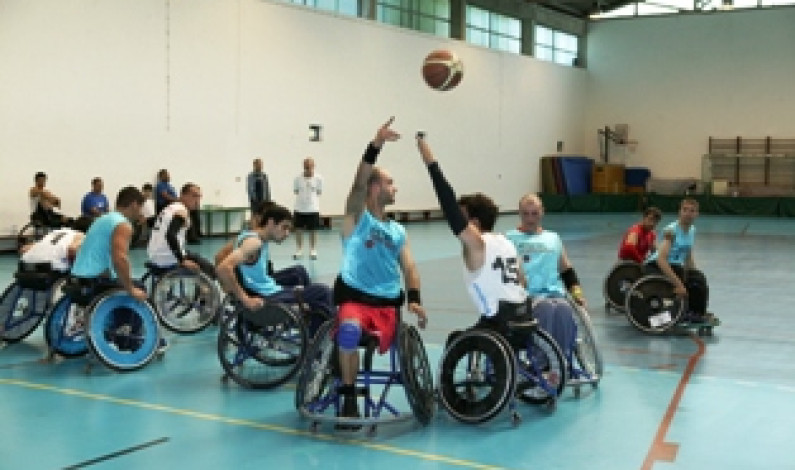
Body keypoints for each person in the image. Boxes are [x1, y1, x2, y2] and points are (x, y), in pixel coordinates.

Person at [333, 118, 426, 427]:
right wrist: (377, 143)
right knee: (347, 332)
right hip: (356, 300)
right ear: (375, 188)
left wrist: (414, 297)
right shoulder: (356, 218)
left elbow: (409, 266)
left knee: (376, 329)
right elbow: (357, 183)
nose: (394, 187)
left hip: (387, 304)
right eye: (390, 183)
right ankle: (349, 396)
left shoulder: (398, 230)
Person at [415, 136, 530, 344]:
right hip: (524, 316)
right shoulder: (507, 242)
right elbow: (523, 280)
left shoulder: (478, 243)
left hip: (499, 324)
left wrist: (431, 163)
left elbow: (449, 207)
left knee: (455, 340)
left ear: (474, 223)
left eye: (464, 219)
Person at [215, 201, 334, 322]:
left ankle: (314, 326)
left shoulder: (257, 238)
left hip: (269, 291)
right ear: (271, 222)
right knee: (323, 292)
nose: (287, 233)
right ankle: (316, 335)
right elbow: (223, 268)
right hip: (267, 298)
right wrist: (245, 299)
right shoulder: (254, 242)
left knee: (301, 274)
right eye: (284, 227)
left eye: (289, 229)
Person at [505, 194, 579, 362]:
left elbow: (566, 268)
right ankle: (542, 361)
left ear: (542, 212)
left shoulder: (553, 238)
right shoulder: (509, 239)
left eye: (534, 213)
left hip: (554, 294)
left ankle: (562, 360)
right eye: (526, 214)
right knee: (545, 309)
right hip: (526, 296)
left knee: (564, 310)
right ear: (519, 213)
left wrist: (577, 292)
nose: (530, 219)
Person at [643, 198, 717, 324]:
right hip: (656, 266)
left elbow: (687, 257)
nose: (688, 213)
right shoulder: (671, 231)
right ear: (679, 212)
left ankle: (697, 312)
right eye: (685, 210)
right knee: (682, 277)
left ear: (696, 214)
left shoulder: (692, 230)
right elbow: (661, 260)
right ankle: (680, 313)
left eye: (692, 211)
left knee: (698, 278)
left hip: (674, 265)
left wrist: (694, 273)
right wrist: (679, 284)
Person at [69, 186, 148, 303]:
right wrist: (131, 289)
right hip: (93, 282)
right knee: (139, 288)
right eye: (141, 207)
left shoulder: (103, 218)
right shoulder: (122, 224)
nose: (141, 212)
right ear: (134, 204)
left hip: (76, 277)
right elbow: (120, 259)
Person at [147, 183, 215, 278]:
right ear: (183, 195)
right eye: (194, 196)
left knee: (193, 255)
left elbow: (155, 223)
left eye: (199, 197)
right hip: (168, 258)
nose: (197, 200)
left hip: (154, 255)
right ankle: (205, 291)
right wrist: (182, 260)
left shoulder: (169, 208)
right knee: (210, 269)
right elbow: (170, 234)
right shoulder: (181, 210)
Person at [293, 157, 323, 260]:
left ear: (313, 166)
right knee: (298, 229)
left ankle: (313, 250)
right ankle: (299, 249)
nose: (308, 169)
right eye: (306, 167)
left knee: (313, 230)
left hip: (313, 208)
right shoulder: (297, 178)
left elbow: (319, 192)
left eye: (310, 166)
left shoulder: (319, 178)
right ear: (303, 166)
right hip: (299, 208)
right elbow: (296, 191)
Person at [20, 227, 86, 272]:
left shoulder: (55, 232)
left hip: (25, 264)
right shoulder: (80, 235)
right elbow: (72, 249)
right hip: (50, 266)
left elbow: (24, 249)